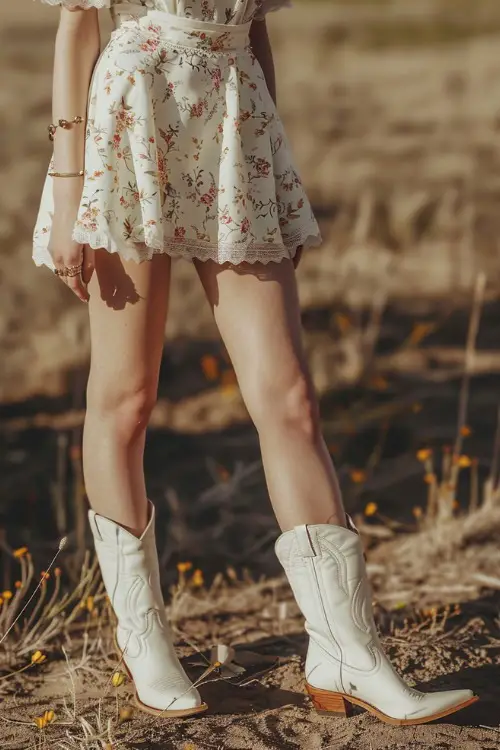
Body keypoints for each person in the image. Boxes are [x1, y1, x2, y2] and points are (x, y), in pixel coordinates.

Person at [33, 0, 477, 723]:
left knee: (291, 397)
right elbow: (78, 22)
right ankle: (143, 641)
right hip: (131, 118)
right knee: (128, 396)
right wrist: (65, 182)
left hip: (237, 124)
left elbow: (258, 28)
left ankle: (346, 652)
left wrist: (277, 170)